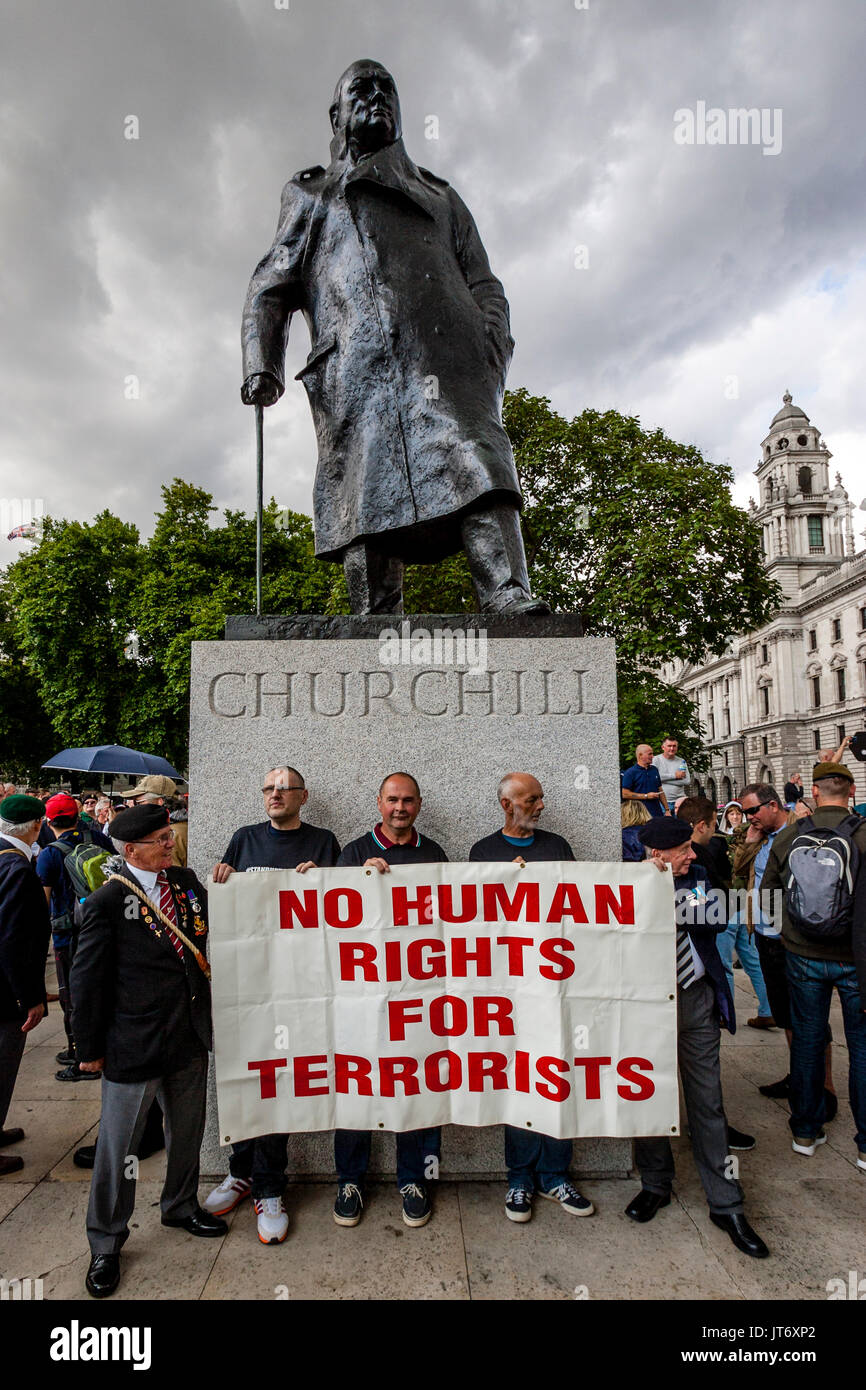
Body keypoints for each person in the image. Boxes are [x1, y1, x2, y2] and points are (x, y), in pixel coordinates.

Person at [241, 59, 547, 617]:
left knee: (480, 460)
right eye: (362, 88)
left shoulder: (440, 195)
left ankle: (507, 592)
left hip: (449, 365)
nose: (377, 96)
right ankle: (375, 615)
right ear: (336, 115)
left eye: (387, 88)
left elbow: (483, 279)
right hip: (359, 372)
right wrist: (262, 363)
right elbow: (272, 282)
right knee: (365, 490)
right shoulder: (311, 195)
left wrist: (491, 341)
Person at [71, 804, 226, 1298]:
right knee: (121, 1150)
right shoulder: (107, 903)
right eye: (160, 838)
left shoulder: (185, 882)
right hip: (133, 1045)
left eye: (169, 835)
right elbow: (86, 981)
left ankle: (180, 1206)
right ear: (131, 849)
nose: (170, 843)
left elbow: (213, 930)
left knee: (188, 1132)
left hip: (188, 1038)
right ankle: (106, 1242)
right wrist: (89, 1049)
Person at [203, 766, 341, 1244]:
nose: (275, 794)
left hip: (298, 989)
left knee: (279, 1083)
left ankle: (270, 1187)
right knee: (245, 1076)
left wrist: (323, 882)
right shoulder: (243, 839)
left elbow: (347, 913)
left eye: (284, 788)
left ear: (304, 795)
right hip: (247, 988)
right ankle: (239, 1172)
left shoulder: (324, 842)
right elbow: (225, 906)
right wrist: (221, 880)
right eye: (268, 788)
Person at [625, 817, 768, 1258]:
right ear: (656, 854)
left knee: (708, 1101)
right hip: (646, 1005)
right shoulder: (625, 884)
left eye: (690, 846)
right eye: (683, 849)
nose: (692, 853)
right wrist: (650, 891)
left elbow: (710, 921)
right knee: (647, 1096)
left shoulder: (702, 874)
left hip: (696, 998)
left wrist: (675, 895)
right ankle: (655, 1184)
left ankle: (726, 1204)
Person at [470, 773, 594, 1222]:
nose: (541, 805)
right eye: (532, 799)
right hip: (509, 990)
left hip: (555, 984)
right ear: (507, 804)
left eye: (541, 797)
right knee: (519, 1079)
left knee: (556, 1074)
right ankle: (520, 1179)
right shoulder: (483, 853)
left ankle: (556, 1174)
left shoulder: (557, 847)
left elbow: (583, 904)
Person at [334, 773, 447, 1228]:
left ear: (419, 804)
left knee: (417, 1081)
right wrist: (363, 881)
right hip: (362, 994)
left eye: (408, 800)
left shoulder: (434, 853)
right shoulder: (352, 852)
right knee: (356, 1082)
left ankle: (414, 1179)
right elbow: (332, 921)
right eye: (392, 800)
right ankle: (350, 1179)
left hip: (417, 995)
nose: (400, 808)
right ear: (378, 803)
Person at [761, 764, 866, 1170]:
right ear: (851, 789)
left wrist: (791, 931)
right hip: (856, 959)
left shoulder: (790, 835)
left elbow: (767, 892)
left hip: (803, 953)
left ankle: (805, 1131)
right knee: (861, 1047)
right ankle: (863, 1144)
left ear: (816, 793)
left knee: (807, 1041)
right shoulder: (861, 834)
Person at [735, 784, 837, 1114]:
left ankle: (825, 1087)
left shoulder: (801, 834)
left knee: (811, 1016)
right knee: (787, 1015)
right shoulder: (759, 837)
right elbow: (738, 873)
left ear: (774, 805)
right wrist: (749, 842)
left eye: (754, 811)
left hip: (792, 939)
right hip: (765, 936)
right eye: (747, 812)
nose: (750, 818)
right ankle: (801, 1077)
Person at [35, 793, 114, 1081]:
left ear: (49, 820)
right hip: (102, 930)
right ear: (77, 814)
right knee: (98, 990)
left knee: (72, 996)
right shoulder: (98, 840)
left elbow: (41, 901)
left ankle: (80, 1055)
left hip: (68, 934)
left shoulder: (50, 853)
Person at [0, 794, 50, 1175]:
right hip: (4, 993)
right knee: (2, 1066)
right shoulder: (17, 869)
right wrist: (30, 997)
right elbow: (16, 940)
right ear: (36, 826)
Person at [122, 776, 187, 868]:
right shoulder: (178, 826)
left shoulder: (172, 834)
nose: (134, 807)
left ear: (159, 802)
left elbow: (168, 876)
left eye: (138, 802)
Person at [621, 744, 668, 818]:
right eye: (650, 754)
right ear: (640, 755)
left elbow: (660, 790)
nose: (652, 756)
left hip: (656, 813)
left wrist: (667, 810)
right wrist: (646, 796)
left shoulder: (654, 769)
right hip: (639, 815)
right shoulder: (630, 772)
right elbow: (625, 794)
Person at [653, 737, 690, 809]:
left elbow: (687, 781)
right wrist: (675, 776)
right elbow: (654, 778)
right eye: (669, 746)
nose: (672, 749)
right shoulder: (656, 760)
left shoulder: (681, 761)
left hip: (680, 802)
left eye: (674, 746)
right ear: (663, 747)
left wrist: (663, 780)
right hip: (662, 802)